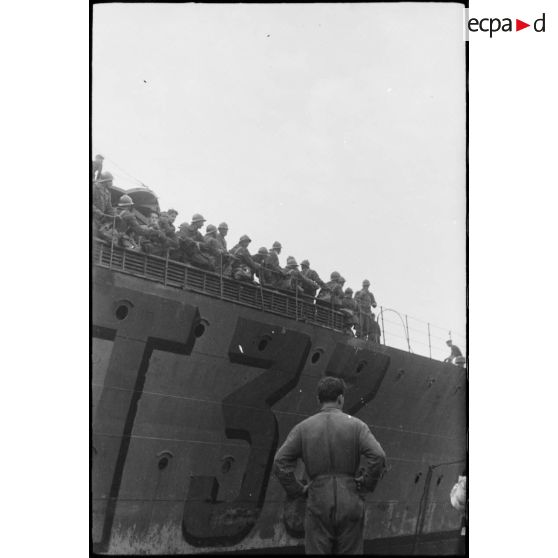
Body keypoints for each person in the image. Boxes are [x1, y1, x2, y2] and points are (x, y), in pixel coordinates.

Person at [273, 376, 386, 555]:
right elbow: (378, 456)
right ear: (341, 398)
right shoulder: (357, 426)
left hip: (318, 499)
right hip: (350, 499)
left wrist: (297, 490)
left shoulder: (303, 428)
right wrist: (365, 484)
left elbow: (280, 462)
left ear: (318, 400)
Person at [92, 171, 116, 238]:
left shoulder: (108, 193)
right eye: (110, 181)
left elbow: (109, 208)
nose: (112, 183)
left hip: (99, 219)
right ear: (105, 181)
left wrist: (115, 215)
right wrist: (99, 213)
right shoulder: (94, 187)